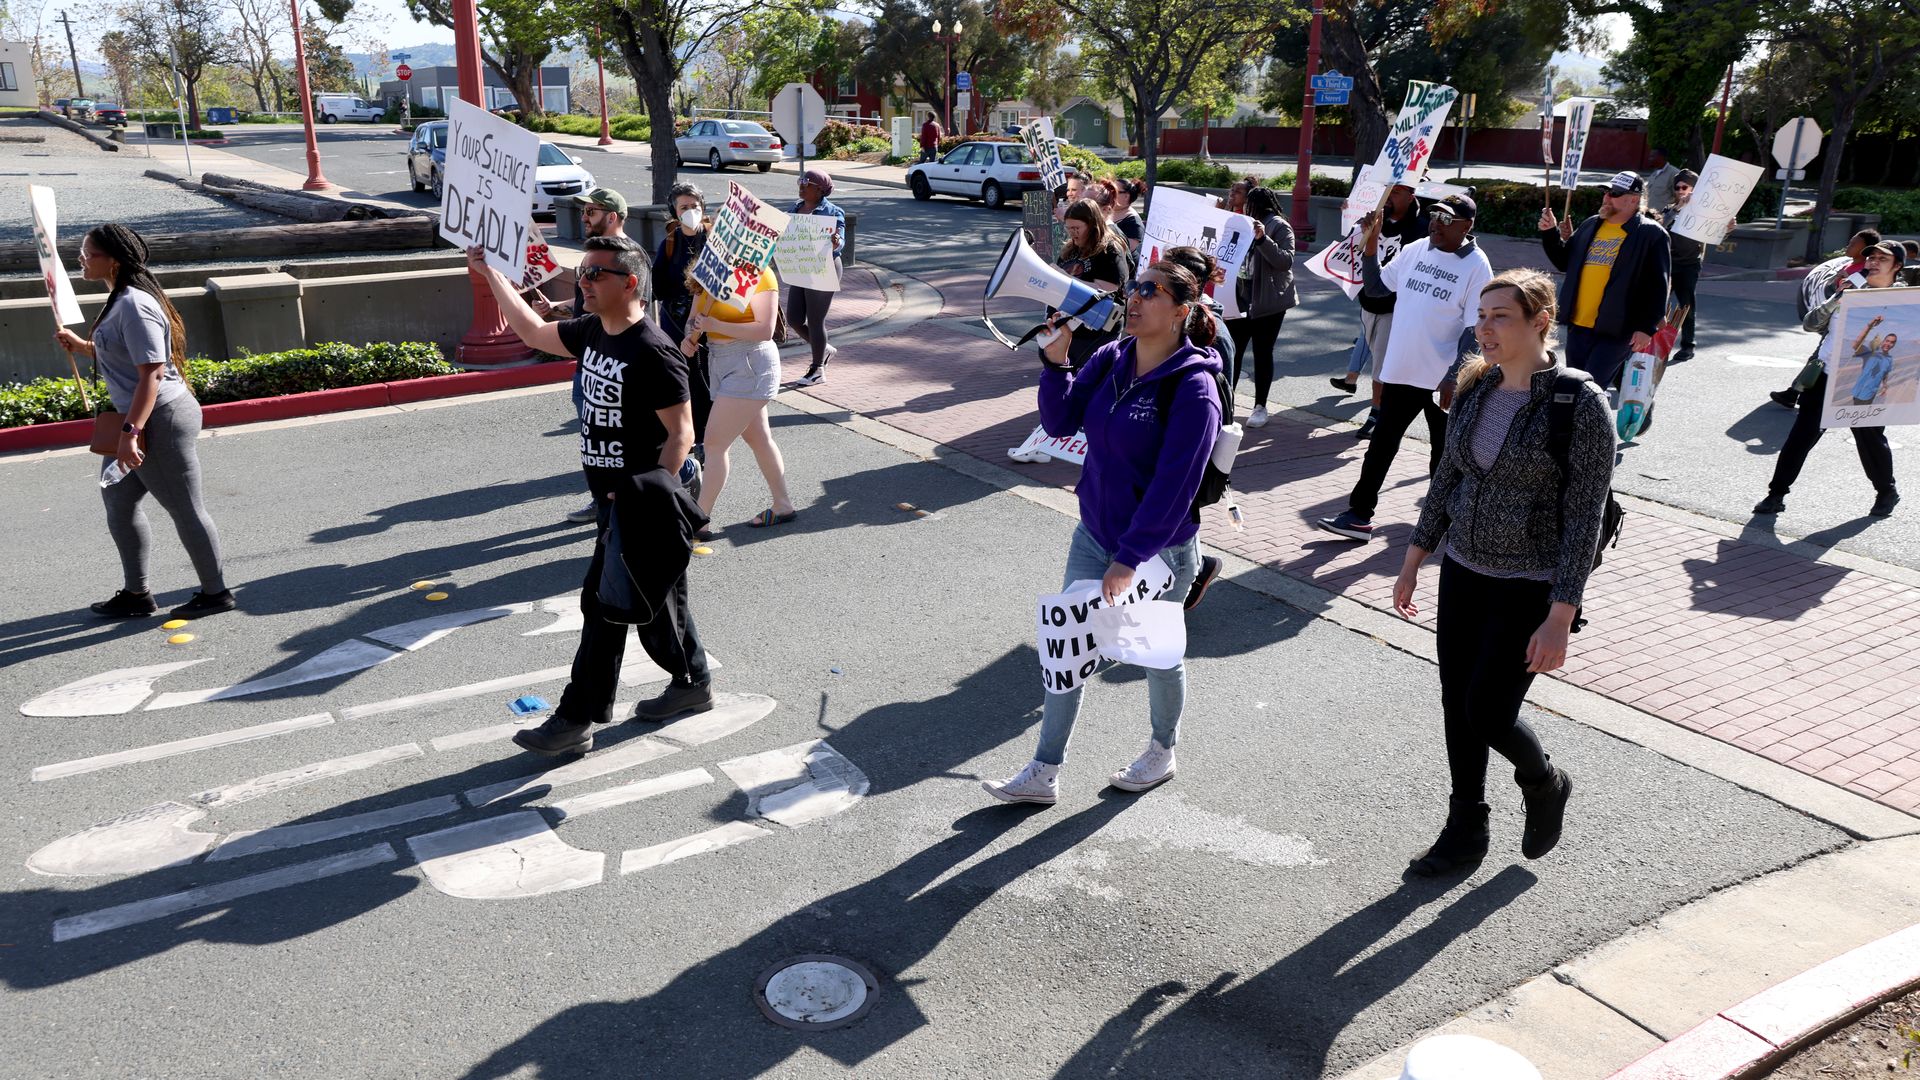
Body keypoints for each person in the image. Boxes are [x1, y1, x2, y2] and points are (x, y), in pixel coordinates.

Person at [1390, 268, 1610, 876]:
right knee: (1455, 706)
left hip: (1529, 586)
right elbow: (1446, 480)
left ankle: (1543, 782)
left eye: (1500, 317)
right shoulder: (1476, 387)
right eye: (1481, 316)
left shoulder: (1579, 404)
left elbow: (1585, 516)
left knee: (1487, 711)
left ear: (1540, 322)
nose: (1484, 329)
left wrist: (1561, 613)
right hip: (1463, 571)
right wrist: (1415, 558)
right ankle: (1465, 828)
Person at [983, 261, 1224, 804]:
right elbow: (1059, 424)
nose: (1134, 299)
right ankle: (1045, 771)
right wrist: (1055, 363)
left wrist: (1131, 557)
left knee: (1155, 655)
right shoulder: (1112, 357)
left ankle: (1162, 750)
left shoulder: (1194, 388)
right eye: (1134, 288)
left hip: (1160, 552)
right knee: (1064, 651)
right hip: (1094, 536)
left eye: (1151, 292)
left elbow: (1176, 486)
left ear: (1182, 312)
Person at [467, 235, 714, 756]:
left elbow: (682, 434)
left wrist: (649, 503)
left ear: (629, 282)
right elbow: (533, 329)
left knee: (603, 607)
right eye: (582, 273)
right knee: (657, 602)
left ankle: (575, 719)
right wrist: (493, 275)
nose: (583, 282)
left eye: (595, 274)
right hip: (614, 501)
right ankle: (693, 683)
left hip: (639, 503)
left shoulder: (653, 349)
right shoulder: (593, 331)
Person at [56, 223, 233, 621]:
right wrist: (83, 347)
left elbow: (152, 373)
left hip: (159, 419)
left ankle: (216, 592)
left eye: (88, 253)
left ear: (113, 260)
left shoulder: (134, 304)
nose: (80, 259)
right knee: (118, 501)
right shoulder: (118, 300)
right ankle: (137, 594)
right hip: (136, 418)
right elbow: (123, 355)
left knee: (185, 508)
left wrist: (130, 433)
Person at [1318, 194, 1493, 542]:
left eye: (1447, 220)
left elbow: (1476, 327)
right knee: (1381, 445)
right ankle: (1358, 515)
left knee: (1443, 455)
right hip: (1402, 370)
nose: (1436, 225)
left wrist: (1452, 377)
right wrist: (1370, 248)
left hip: (1443, 380)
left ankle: (1441, 522)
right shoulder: (1416, 249)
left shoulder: (1477, 266)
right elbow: (1377, 288)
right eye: (1435, 217)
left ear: (1467, 227)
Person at [1754, 242, 1907, 519]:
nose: (1872, 262)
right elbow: (1811, 324)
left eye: (1881, 259)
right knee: (1800, 437)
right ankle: (1776, 494)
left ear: (1897, 266)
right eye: (1870, 257)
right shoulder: (1849, 290)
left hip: (1864, 383)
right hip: (1826, 377)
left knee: (1870, 440)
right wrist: (1838, 297)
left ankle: (1887, 492)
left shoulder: (1904, 301)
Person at [681, 254, 798, 534]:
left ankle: (700, 519)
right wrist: (690, 337)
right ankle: (783, 504)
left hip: (750, 362)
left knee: (714, 444)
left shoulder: (760, 274)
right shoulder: (709, 270)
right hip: (721, 362)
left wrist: (714, 326)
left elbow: (765, 329)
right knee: (758, 437)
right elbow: (693, 319)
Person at [533, 186, 628, 525]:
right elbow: (588, 305)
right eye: (584, 212)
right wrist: (557, 307)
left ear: (612, 216)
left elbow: (632, 312)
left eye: (591, 212)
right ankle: (602, 499)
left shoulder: (627, 258)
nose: (584, 218)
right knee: (595, 436)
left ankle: (632, 498)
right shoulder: (594, 254)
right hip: (588, 364)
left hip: (615, 365)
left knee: (618, 437)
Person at [1537, 171, 1672, 389]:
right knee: (1573, 386)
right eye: (1606, 192)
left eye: (1615, 194)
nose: (1607, 197)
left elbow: (1658, 285)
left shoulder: (1652, 234)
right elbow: (1564, 262)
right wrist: (1549, 233)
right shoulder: (1591, 224)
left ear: (1634, 200)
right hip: (1579, 324)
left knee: (1590, 388)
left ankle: (1593, 421)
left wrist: (1646, 327)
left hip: (1618, 329)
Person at [1161, 244, 1234, 611]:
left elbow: (1223, 396)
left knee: (1179, 512)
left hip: (1195, 444)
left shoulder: (1213, 332)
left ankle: (1196, 569)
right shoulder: (1181, 323)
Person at [1332, 180, 1427, 441]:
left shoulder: (1421, 228)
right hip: (1368, 302)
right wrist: (1349, 219)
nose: (1389, 197)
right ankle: (1379, 407)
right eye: (1387, 191)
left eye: (1395, 192)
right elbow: (1352, 248)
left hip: (1395, 308)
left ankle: (1377, 411)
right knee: (1376, 358)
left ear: (1410, 195)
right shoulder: (1374, 217)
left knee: (1382, 366)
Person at [1771, 229, 1884, 409]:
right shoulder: (1847, 267)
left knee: (1820, 359)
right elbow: (1830, 291)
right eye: (1850, 241)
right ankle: (1796, 393)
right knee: (1819, 358)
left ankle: (1798, 393)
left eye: (1854, 243)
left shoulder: (1864, 273)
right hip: (1831, 320)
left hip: (1844, 325)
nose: (1849, 245)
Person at [1230, 185, 1298, 428]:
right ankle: (1227, 400)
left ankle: (1260, 406)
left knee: (1262, 352)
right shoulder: (1242, 222)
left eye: (1248, 203)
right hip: (1240, 297)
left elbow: (1285, 260)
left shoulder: (1278, 225)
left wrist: (1263, 239)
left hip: (1268, 302)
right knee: (1233, 351)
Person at [653, 183, 712, 455]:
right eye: (684, 207)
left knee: (706, 380)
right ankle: (684, 435)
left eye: (695, 206)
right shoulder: (670, 243)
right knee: (681, 380)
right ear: (674, 212)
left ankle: (706, 437)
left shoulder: (715, 239)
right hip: (676, 324)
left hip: (708, 322)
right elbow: (658, 288)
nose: (691, 212)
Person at [786, 169, 846, 387]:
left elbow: (840, 242)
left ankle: (817, 369)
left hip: (824, 267)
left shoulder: (832, 212)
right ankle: (823, 348)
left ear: (820, 189)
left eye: (806, 182)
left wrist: (835, 241)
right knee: (793, 318)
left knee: (815, 320)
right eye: (800, 181)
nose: (801, 185)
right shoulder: (795, 208)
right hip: (802, 266)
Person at [1661, 169, 1702, 364]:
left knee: (1687, 305)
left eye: (1684, 187)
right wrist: (1678, 208)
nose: (1680, 191)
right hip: (1668, 263)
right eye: (1677, 187)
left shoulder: (1703, 213)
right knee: (1658, 304)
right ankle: (1654, 342)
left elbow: (1717, 235)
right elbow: (1662, 226)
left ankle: (1688, 345)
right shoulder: (1670, 209)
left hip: (1689, 264)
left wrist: (1727, 229)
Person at [1643, 147, 1681, 218]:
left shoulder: (1674, 173)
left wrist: (1670, 216)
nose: (1649, 159)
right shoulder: (1654, 174)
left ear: (1661, 157)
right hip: (1647, 216)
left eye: (1652, 156)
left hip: (1661, 219)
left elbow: (1679, 198)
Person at [1111, 178, 1146, 255]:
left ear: (1126, 196)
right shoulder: (1106, 212)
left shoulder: (1134, 223)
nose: (1108, 193)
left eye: (1113, 191)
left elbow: (1123, 251)